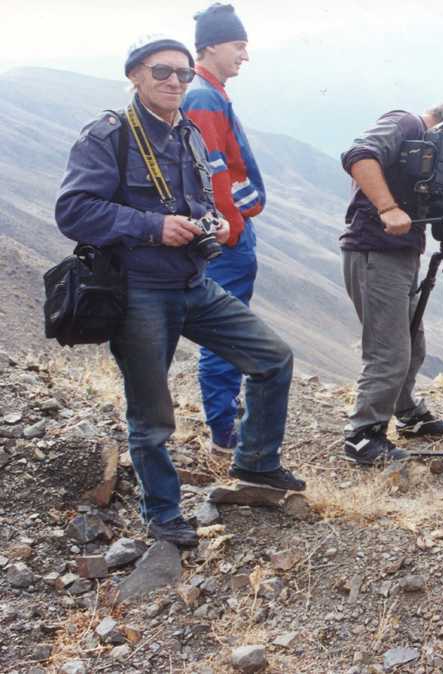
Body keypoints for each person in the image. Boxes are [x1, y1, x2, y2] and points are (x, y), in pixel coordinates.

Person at [55, 35, 305, 548]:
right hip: (140, 289)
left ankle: (257, 464)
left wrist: (205, 223)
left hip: (194, 282)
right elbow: (73, 210)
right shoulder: (109, 136)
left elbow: (193, 199)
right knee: (152, 415)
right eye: (161, 72)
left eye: (182, 75)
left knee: (273, 358)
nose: (173, 82)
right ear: (135, 76)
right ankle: (163, 514)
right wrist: (153, 226)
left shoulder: (187, 133)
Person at [338, 101, 443, 465]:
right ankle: (363, 435)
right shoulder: (406, 123)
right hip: (375, 251)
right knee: (389, 350)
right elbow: (358, 154)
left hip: (399, 254)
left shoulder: (420, 146)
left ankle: (408, 413)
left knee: (412, 343)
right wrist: (387, 208)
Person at [181, 3, 263, 455]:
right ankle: (225, 436)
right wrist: (231, 229)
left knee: (228, 327)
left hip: (232, 232)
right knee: (225, 331)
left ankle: (226, 427)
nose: (244, 56)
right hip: (228, 237)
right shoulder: (204, 97)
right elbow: (209, 170)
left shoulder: (209, 92)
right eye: (238, 45)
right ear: (211, 46)